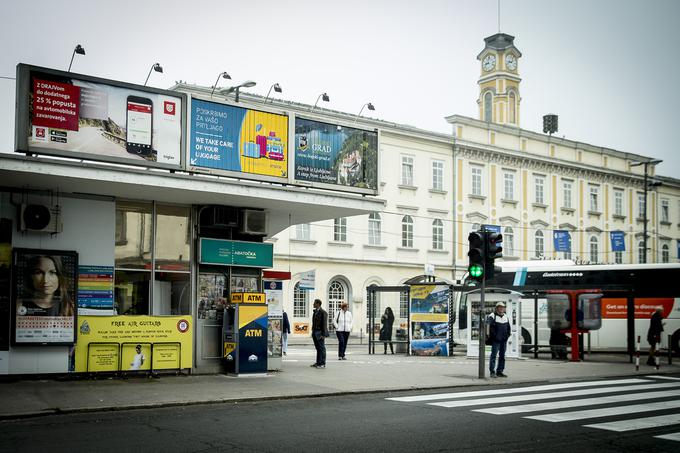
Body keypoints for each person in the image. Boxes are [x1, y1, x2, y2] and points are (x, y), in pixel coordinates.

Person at [487, 301, 511, 378]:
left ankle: (500, 371)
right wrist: (495, 336)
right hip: (496, 340)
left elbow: (508, 328)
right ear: (497, 308)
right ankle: (492, 372)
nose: (501, 309)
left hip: (503, 340)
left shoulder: (505, 316)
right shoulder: (492, 316)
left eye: (503, 307)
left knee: (502, 356)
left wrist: (507, 336)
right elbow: (490, 328)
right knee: (493, 356)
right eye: (500, 307)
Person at [310, 299, 329, 368]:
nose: (313, 304)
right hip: (315, 332)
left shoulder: (323, 312)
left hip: (320, 332)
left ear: (318, 304)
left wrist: (323, 334)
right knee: (318, 348)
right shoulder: (315, 312)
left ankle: (322, 363)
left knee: (322, 348)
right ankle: (318, 362)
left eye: (314, 303)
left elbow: (324, 324)